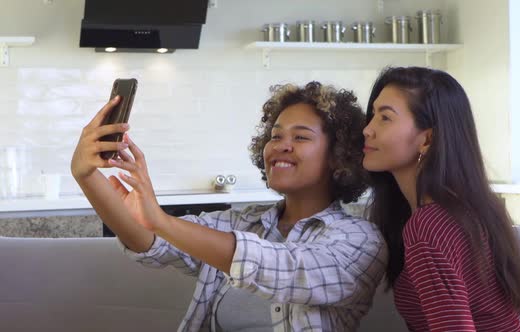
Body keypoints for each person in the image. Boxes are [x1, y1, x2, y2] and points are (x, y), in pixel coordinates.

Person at [70, 81, 388, 332]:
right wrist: (84, 173)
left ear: (339, 155)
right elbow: (150, 241)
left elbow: (285, 268)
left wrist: (162, 221)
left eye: (301, 138)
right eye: (275, 136)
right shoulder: (239, 223)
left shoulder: (360, 241)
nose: (281, 146)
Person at [362, 67, 520, 331]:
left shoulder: (428, 225)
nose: (367, 130)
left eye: (385, 117)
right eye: (372, 115)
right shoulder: (463, 209)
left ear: (427, 139)